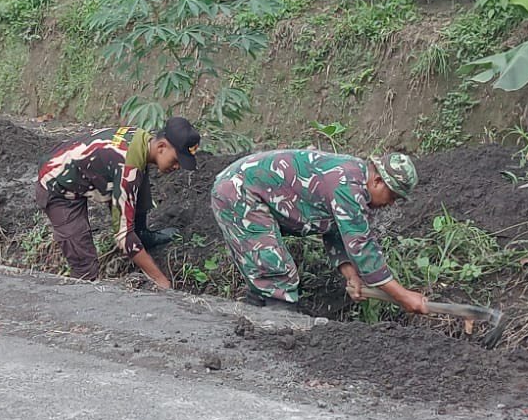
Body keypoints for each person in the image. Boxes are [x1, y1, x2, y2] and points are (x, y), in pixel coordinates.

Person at [210, 148, 426, 313]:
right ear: (378, 181)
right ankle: (277, 332)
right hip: (239, 191)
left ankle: (254, 319)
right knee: (276, 274)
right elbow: (362, 248)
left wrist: (351, 275)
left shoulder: (355, 181)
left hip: (241, 189)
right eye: (393, 196)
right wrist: (403, 296)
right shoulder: (347, 186)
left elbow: (336, 232)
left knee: (267, 275)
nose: (391, 203)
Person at [35, 118, 201, 289]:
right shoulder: (127, 165)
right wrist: (160, 280)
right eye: (176, 160)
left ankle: (142, 235)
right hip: (55, 184)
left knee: (136, 179)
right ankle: (80, 296)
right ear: (161, 147)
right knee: (85, 268)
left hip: (77, 166)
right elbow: (124, 236)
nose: (177, 167)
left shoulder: (141, 139)